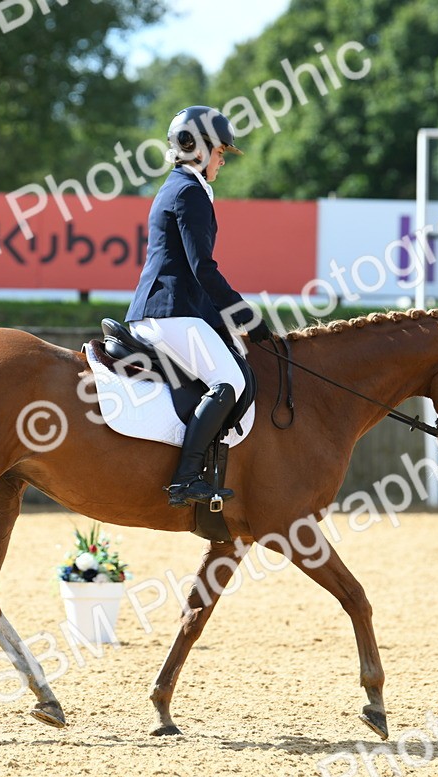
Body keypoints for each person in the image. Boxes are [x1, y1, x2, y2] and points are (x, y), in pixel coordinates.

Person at [126, 105, 272, 509]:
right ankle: (185, 478)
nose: (223, 159)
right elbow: (203, 270)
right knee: (229, 384)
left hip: (172, 309)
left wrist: (227, 326)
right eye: (220, 151)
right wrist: (247, 316)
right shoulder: (188, 192)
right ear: (195, 146)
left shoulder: (181, 187)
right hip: (167, 311)